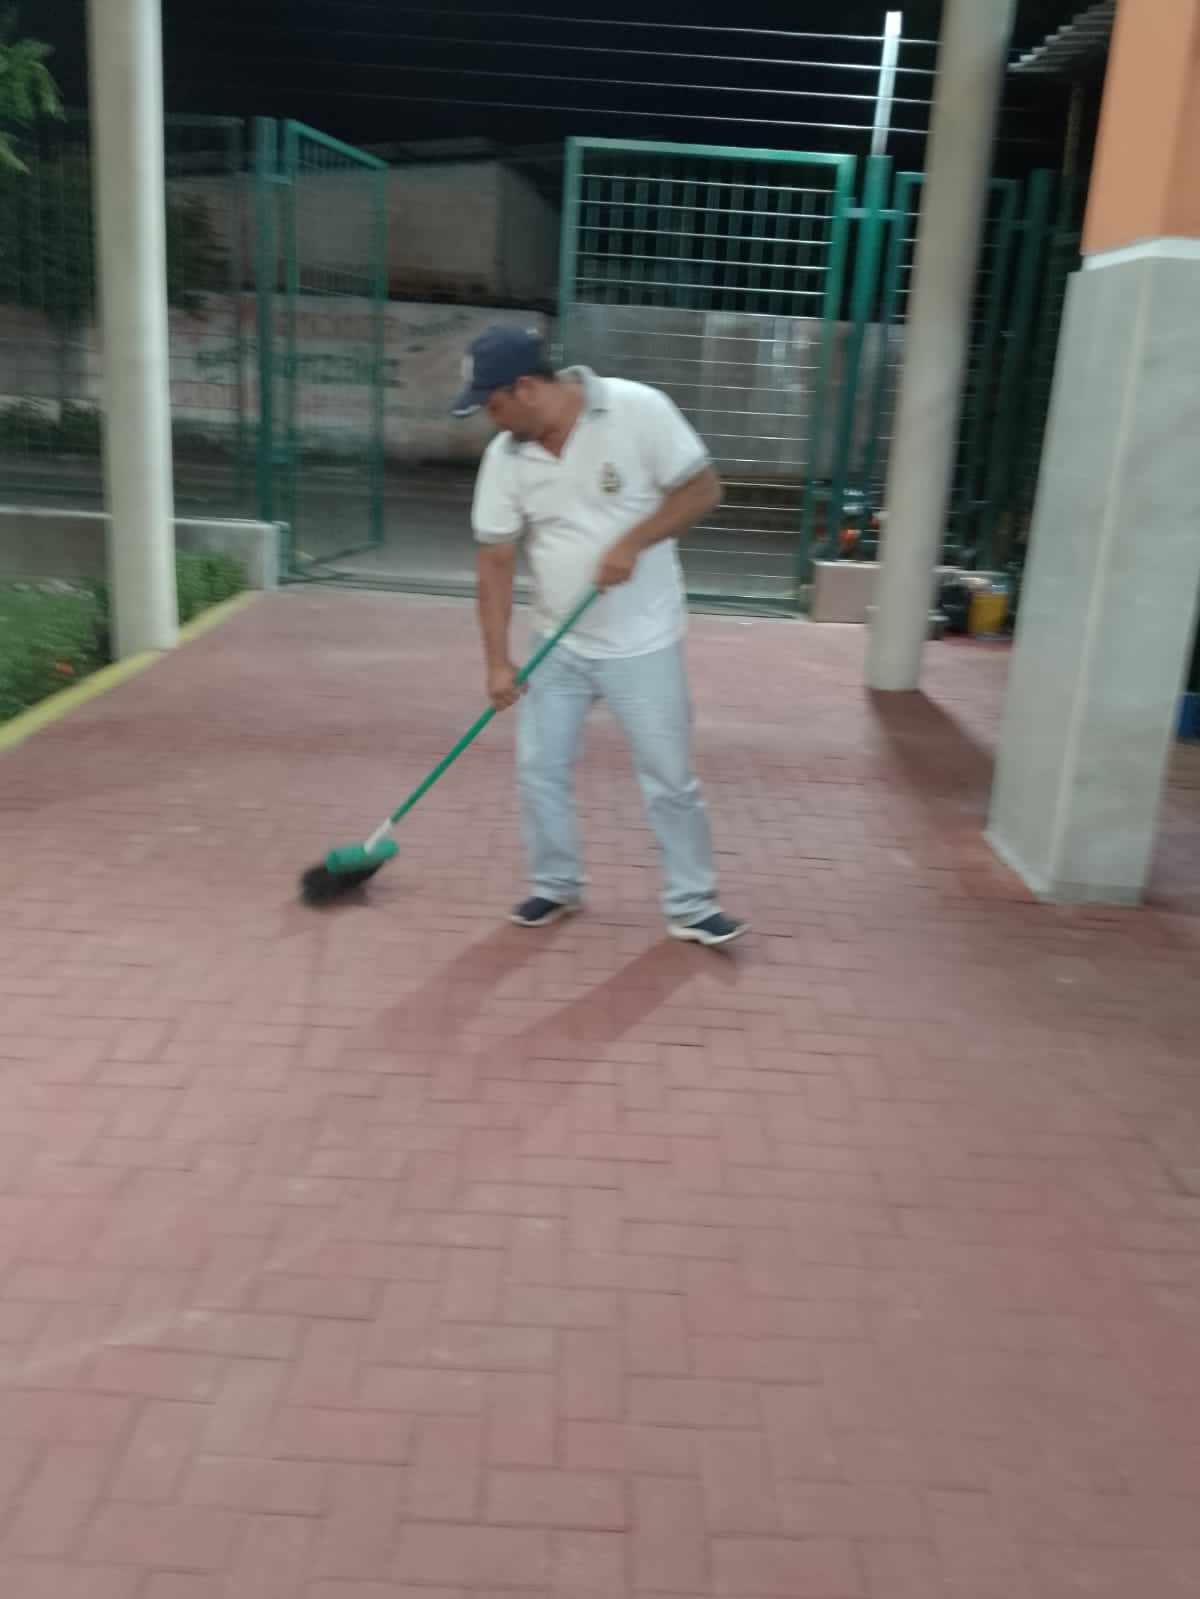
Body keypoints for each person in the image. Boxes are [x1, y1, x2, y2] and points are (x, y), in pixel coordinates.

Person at [452, 324, 746, 948]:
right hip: (557, 643)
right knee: (539, 769)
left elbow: (704, 490)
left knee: (668, 777)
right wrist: (498, 662)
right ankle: (556, 884)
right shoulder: (506, 458)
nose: (489, 420)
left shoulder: (637, 410)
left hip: (643, 641)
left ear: (525, 388)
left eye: (493, 405)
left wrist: (633, 541)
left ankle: (692, 904)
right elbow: (494, 563)